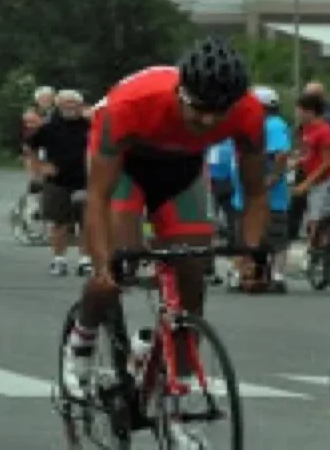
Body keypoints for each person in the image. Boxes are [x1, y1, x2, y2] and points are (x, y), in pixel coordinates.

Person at [69, 38, 269, 422]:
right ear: (181, 92)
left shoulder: (248, 113)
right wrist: (100, 262)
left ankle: (176, 390)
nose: (209, 121)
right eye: (200, 109)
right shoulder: (129, 106)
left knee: (191, 272)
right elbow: (97, 197)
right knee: (117, 268)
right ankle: (83, 336)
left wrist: (251, 252)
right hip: (126, 169)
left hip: (182, 173)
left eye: (218, 111)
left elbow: (256, 192)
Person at [231, 86, 291, 291]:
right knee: (248, 237)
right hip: (247, 194)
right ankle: (249, 275)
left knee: (274, 237)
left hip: (268, 196)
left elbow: (281, 154)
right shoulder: (253, 125)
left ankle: (276, 276)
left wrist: (273, 177)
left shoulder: (273, 125)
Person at [25, 89, 91, 276]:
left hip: (85, 181)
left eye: (73, 103)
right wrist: (39, 166)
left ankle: (85, 260)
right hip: (57, 181)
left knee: (86, 223)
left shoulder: (90, 126)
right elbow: (29, 147)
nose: (69, 107)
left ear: (80, 105)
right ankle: (59, 260)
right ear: (59, 106)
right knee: (59, 223)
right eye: (65, 103)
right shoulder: (49, 127)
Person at [293, 93, 330, 253]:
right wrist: (296, 162)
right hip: (313, 178)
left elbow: (327, 162)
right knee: (313, 217)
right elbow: (308, 153)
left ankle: (320, 253)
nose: (297, 114)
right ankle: (316, 251)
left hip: (325, 180)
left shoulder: (324, 130)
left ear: (310, 112)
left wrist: (306, 183)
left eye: (299, 111)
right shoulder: (306, 129)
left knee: (318, 218)